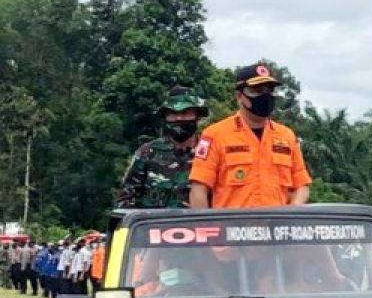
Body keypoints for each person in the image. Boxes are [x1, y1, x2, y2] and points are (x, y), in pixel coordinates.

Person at [189, 63, 312, 209]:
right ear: (239, 96)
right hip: (232, 228)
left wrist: (291, 213)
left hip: (275, 227)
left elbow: (301, 186)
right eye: (257, 91)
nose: (265, 96)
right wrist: (208, 228)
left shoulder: (287, 136)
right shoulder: (215, 135)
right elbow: (199, 189)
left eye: (269, 90)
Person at [116, 86, 209, 209]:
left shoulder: (210, 151)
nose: (179, 118)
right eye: (173, 113)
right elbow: (125, 199)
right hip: (153, 225)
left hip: (196, 225)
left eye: (185, 113)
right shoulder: (147, 152)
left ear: (197, 116)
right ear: (165, 117)